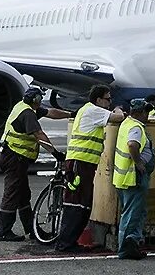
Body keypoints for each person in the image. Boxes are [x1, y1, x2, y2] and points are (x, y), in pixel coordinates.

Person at [54, 84, 126, 252]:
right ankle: (65, 243)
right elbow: (118, 118)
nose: (109, 102)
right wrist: (117, 109)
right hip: (81, 163)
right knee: (77, 203)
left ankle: (70, 241)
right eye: (108, 99)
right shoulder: (94, 111)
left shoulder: (86, 110)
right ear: (99, 99)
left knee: (82, 203)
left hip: (82, 163)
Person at [0, 87, 71, 242]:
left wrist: (70, 115)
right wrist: (55, 153)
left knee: (23, 195)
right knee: (12, 193)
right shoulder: (28, 113)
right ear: (36, 100)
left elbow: (51, 113)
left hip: (14, 156)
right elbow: (39, 135)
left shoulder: (23, 106)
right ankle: (4, 231)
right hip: (15, 157)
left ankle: (32, 230)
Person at [112, 99, 155, 259]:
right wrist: (139, 162)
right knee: (132, 215)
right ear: (138, 113)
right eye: (146, 112)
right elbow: (132, 145)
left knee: (132, 213)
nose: (148, 115)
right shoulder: (136, 127)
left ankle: (131, 245)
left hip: (123, 177)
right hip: (133, 177)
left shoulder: (126, 123)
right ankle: (126, 249)